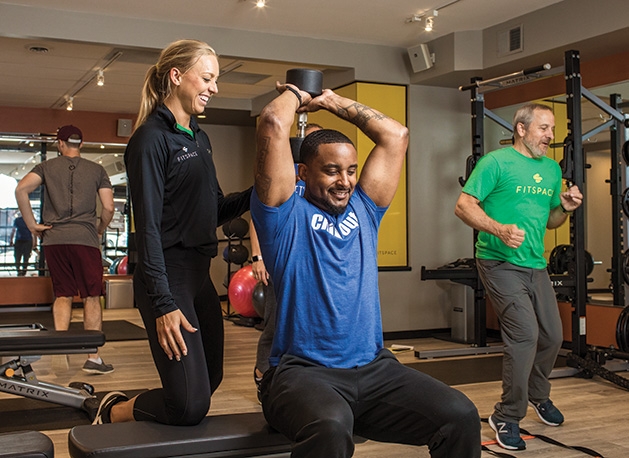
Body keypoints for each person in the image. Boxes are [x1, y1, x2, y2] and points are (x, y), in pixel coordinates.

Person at [251, 83, 481, 458]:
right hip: (301, 374)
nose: (345, 182)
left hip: (375, 370)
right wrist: (297, 93)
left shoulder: (365, 209)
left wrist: (333, 101)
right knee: (330, 427)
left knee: (460, 415)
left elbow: (396, 135)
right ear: (303, 173)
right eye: (331, 171)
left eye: (351, 171)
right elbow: (274, 121)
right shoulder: (283, 216)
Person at [91, 39, 251, 426]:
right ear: (177, 76)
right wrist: (163, 303)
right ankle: (112, 410)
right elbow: (145, 229)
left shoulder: (199, 138)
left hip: (199, 277)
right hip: (167, 278)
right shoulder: (150, 140)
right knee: (188, 407)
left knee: (210, 381)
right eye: (208, 78)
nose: (214, 88)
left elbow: (213, 210)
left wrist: (259, 191)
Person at [454, 103, 583, 451]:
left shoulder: (552, 170)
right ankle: (507, 415)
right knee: (525, 336)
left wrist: (565, 209)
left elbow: (550, 220)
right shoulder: (495, 163)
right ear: (521, 129)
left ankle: (538, 394)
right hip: (498, 261)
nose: (550, 136)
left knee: (554, 335)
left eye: (552, 130)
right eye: (544, 129)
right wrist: (498, 229)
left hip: (534, 264)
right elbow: (463, 205)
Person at [15, 125, 115, 374]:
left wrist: (31, 225)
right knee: (91, 296)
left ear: (60, 144)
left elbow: (21, 190)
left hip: (54, 239)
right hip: (85, 239)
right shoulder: (97, 170)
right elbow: (109, 208)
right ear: (80, 144)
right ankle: (92, 357)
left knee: (63, 295)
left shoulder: (46, 168)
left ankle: (60, 353)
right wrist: (100, 228)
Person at [251, 122, 322, 398]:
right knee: (275, 323)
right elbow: (258, 220)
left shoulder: (322, 182)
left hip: (310, 266)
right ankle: (262, 375)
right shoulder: (284, 173)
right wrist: (258, 257)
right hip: (279, 262)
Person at [10, 212, 36, 276]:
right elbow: (34, 231)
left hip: (19, 240)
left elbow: (13, 230)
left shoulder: (17, 220)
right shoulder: (30, 220)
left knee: (17, 257)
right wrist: (35, 242)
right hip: (28, 240)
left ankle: (19, 271)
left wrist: (11, 240)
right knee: (26, 257)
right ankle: (24, 271)